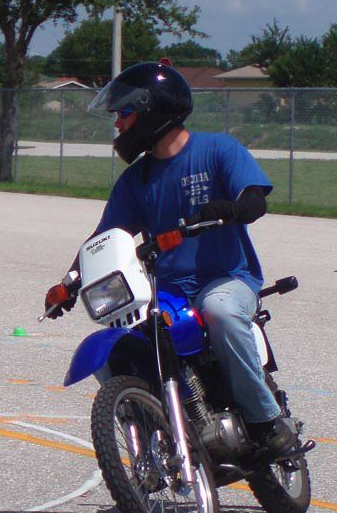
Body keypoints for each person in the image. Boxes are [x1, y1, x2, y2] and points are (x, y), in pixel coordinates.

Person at [44, 61, 295, 456]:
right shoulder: (135, 180)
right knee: (125, 342)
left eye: (124, 113)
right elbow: (104, 238)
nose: (118, 124)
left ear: (153, 110)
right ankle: (156, 441)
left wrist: (234, 208)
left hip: (226, 278)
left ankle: (266, 422)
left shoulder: (218, 150)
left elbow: (253, 198)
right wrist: (69, 283)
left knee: (220, 311)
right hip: (167, 289)